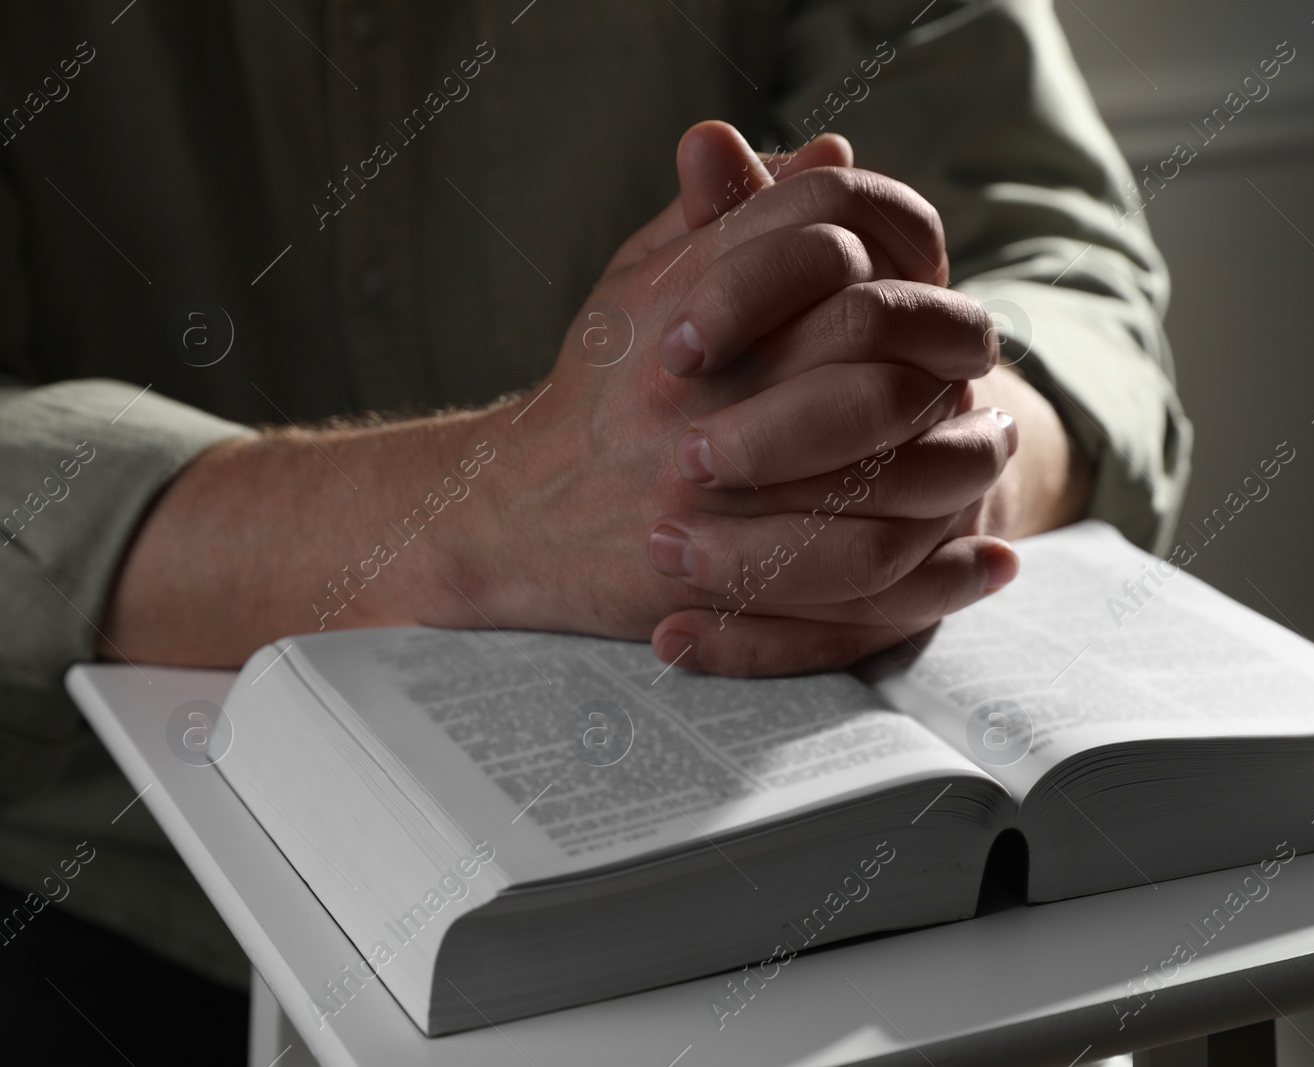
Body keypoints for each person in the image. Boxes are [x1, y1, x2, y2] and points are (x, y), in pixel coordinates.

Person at [0, 0, 1188, 1010]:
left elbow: (1062, 267)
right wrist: (487, 512)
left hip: (798, 896)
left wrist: (910, 443)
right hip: (118, 901)